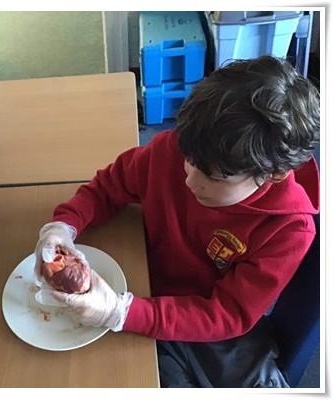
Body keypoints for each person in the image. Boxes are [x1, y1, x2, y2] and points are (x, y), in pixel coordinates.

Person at [33, 55, 320, 388]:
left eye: (213, 177)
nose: (189, 179)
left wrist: (121, 313)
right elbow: (108, 187)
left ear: (273, 174)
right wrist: (64, 225)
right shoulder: (183, 149)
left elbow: (229, 313)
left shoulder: (288, 229)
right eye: (189, 160)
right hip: (142, 288)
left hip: (205, 320)